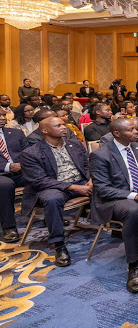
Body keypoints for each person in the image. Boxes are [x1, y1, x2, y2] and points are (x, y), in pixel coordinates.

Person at [89, 118, 138, 293]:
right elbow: (102, 190)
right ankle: (133, 265)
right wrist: (135, 196)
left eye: (135, 129)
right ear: (117, 133)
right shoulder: (101, 155)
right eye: (131, 130)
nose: (136, 132)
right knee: (133, 210)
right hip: (114, 200)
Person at [20, 117, 93, 266]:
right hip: (53, 187)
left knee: (108, 184)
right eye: (58, 125)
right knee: (52, 199)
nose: (64, 127)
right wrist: (73, 187)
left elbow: (88, 165)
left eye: (63, 124)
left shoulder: (75, 144)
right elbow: (40, 180)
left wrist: (91, 180)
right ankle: (59, 245)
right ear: (45, 131)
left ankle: (116, 226)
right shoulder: (31, 153)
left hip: (80, 182)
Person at [0, 112, 28, 242]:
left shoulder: (16, 133)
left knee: (42, 176)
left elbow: (28, 152)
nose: (2, 118)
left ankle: (50, 214)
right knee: (5, 185)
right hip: (2, 173)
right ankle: (9, 227)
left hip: (21, 170)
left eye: (3, 115)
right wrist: (8, 167)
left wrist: (25, 164)